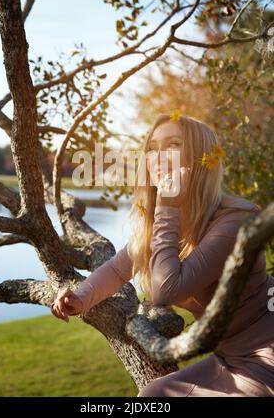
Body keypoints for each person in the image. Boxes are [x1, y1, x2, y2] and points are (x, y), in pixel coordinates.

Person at [51, 114, 274, 397]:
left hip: (268, 352)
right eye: (153, 149)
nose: (159, 156)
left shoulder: (235, 220)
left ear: (200, 159)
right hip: (227, 355)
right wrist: (81, 296)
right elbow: (119, 269)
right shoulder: (165, 223)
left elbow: (167, 291)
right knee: (152, 396)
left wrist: (166, 207)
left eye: (173, 145)